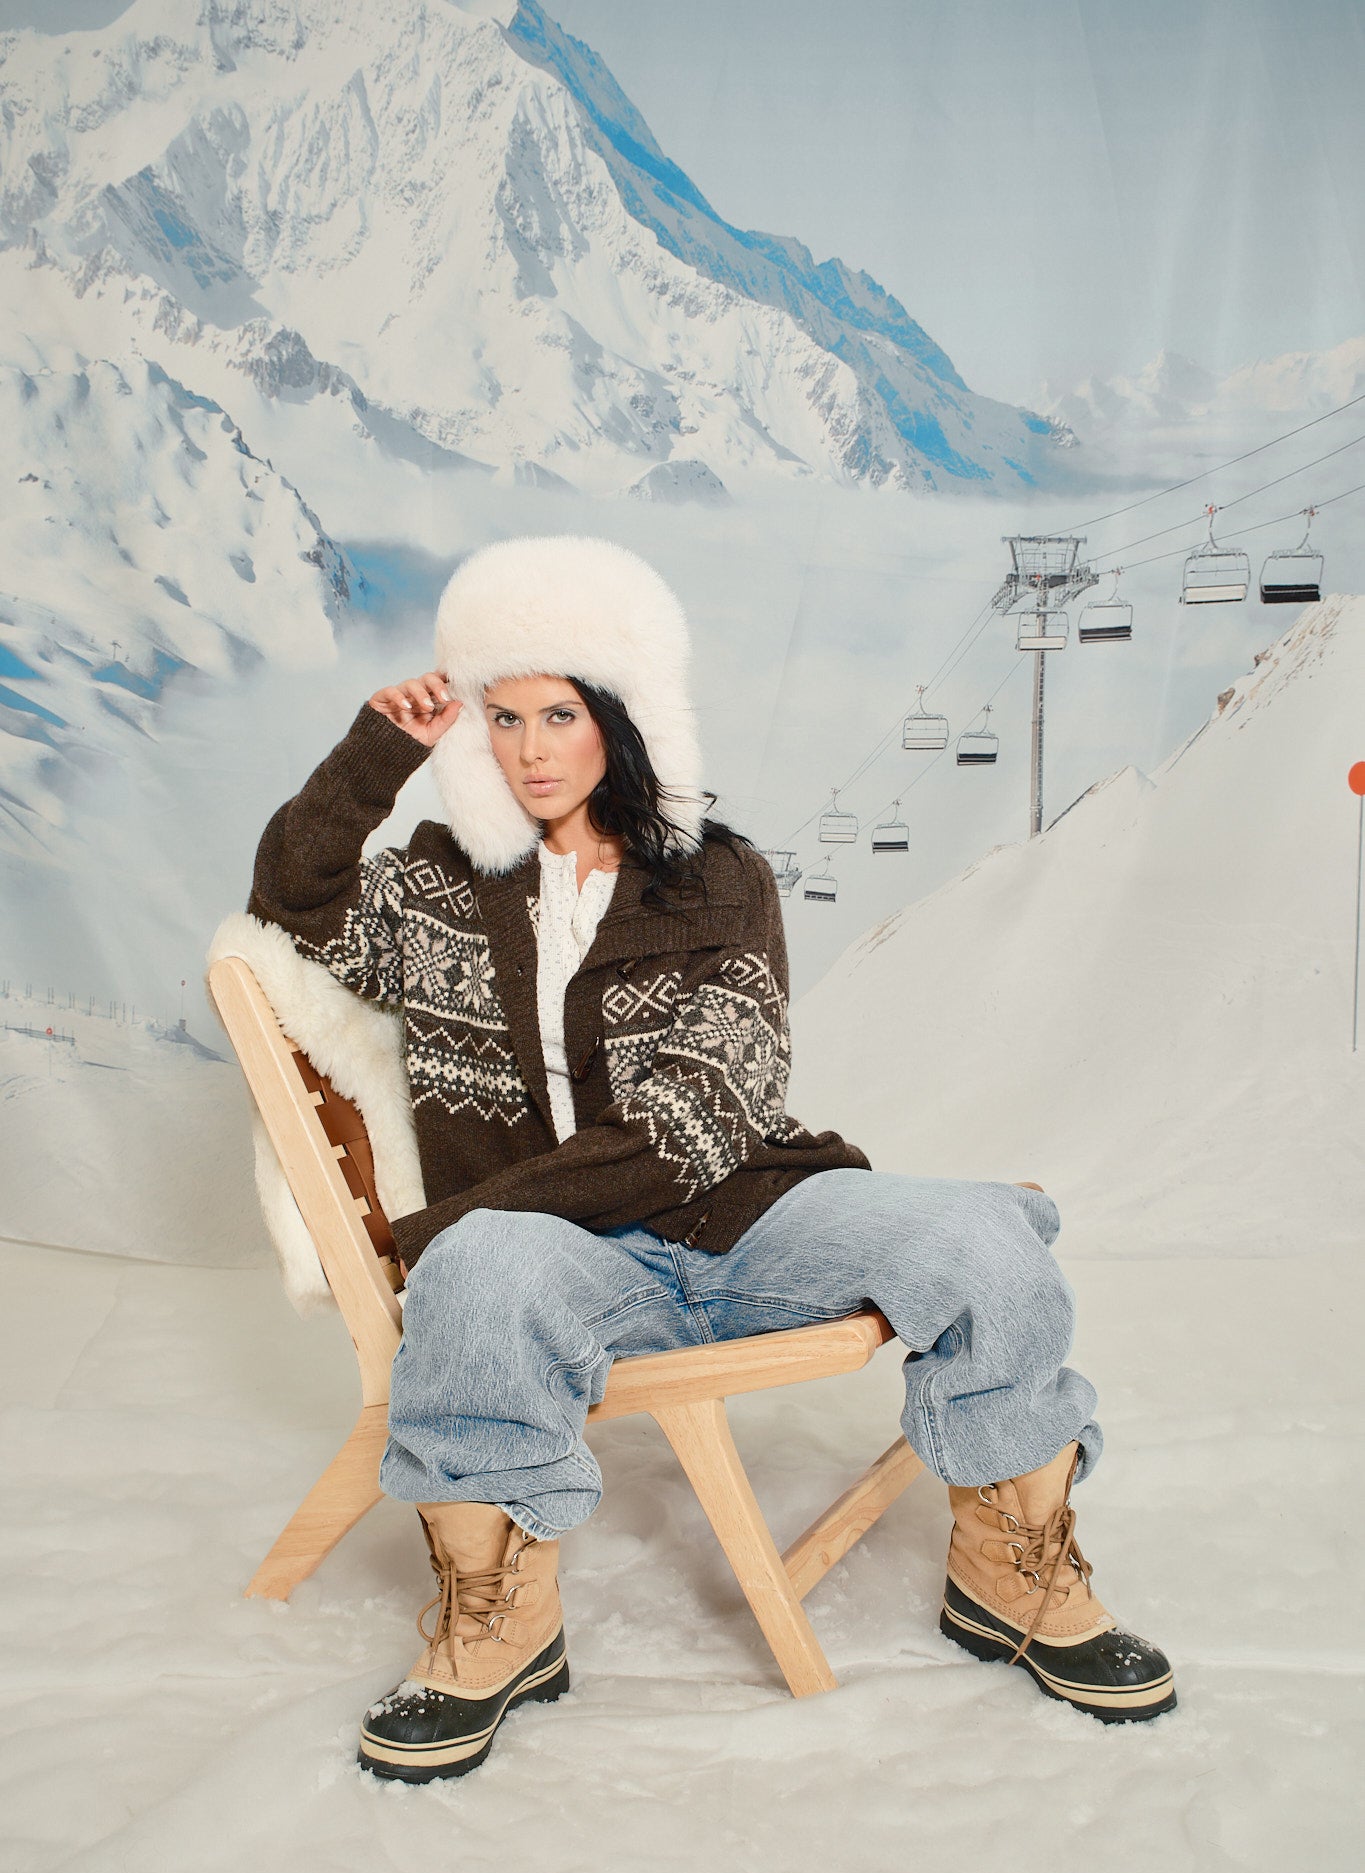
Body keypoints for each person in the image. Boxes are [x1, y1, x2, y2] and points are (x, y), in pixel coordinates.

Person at [247, 534, 1175, 1784]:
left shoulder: (719, 878)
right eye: (504, 715)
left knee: (980, 1235)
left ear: (620, 722)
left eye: (560, 713)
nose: (529, 748)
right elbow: (293, 901)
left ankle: (1010, 1566)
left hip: (743, 1220)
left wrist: (451, 1223)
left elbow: (695, 1128)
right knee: (478, 1272)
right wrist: (374, 757)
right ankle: (500, 1624)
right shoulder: (439, 884)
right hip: (563, 1260)